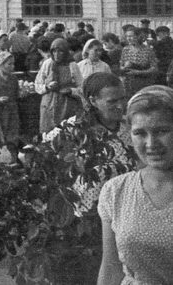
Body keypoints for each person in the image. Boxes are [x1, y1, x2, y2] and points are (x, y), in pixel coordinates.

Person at [97, 85, 173, 284]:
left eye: (162, 131)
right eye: (140, 133)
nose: (151, 143)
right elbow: (111, 267)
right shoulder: (116, 191)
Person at [44, 73, 136, 217]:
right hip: (87, 214)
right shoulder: (73, 128)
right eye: (112, 101)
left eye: (122, 99)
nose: (120, 106)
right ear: (93, 101)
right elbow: (38, 154)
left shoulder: (132, 129)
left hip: (126, 212)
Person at [37, 38, 81, 134]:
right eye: (54, 51)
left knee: (65, 133)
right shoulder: (47, 64)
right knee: (48, 134)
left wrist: (71, 90)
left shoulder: (72, 65)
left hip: (66, 104)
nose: (56, 54)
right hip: (49, 104)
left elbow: (81, 87)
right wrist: (47, 87)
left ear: (65, 52)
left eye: (60, 51)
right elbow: (38, 84)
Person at [0, 51, 21, 148]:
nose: (12, 67)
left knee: (13, 139)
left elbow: (16, 94)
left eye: (13, 64)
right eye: (9, 64)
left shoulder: (14, 78)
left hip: (12, 113)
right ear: (0, 64)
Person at [119, 28, 158, 96]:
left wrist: (138, 72)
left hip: (143, 83)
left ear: (138, 36)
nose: (128, 38)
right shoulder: (125, 49)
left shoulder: (148, 50)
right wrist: (124, 67)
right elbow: (121, 66)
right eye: (127, 36)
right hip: (128, 84)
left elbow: (154, 69)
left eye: (131, 36)